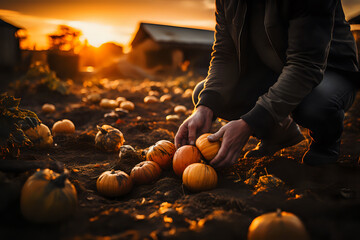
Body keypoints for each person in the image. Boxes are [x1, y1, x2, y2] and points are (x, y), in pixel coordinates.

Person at [175, 0, 359, 168]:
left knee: (315, 107)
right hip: (277, 68)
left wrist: (250, 123)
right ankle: (279, 134)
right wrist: (205, 107)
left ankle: (325, 144)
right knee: (206, 93)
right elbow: (225, 53)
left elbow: (305, 66)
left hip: (330, 70)